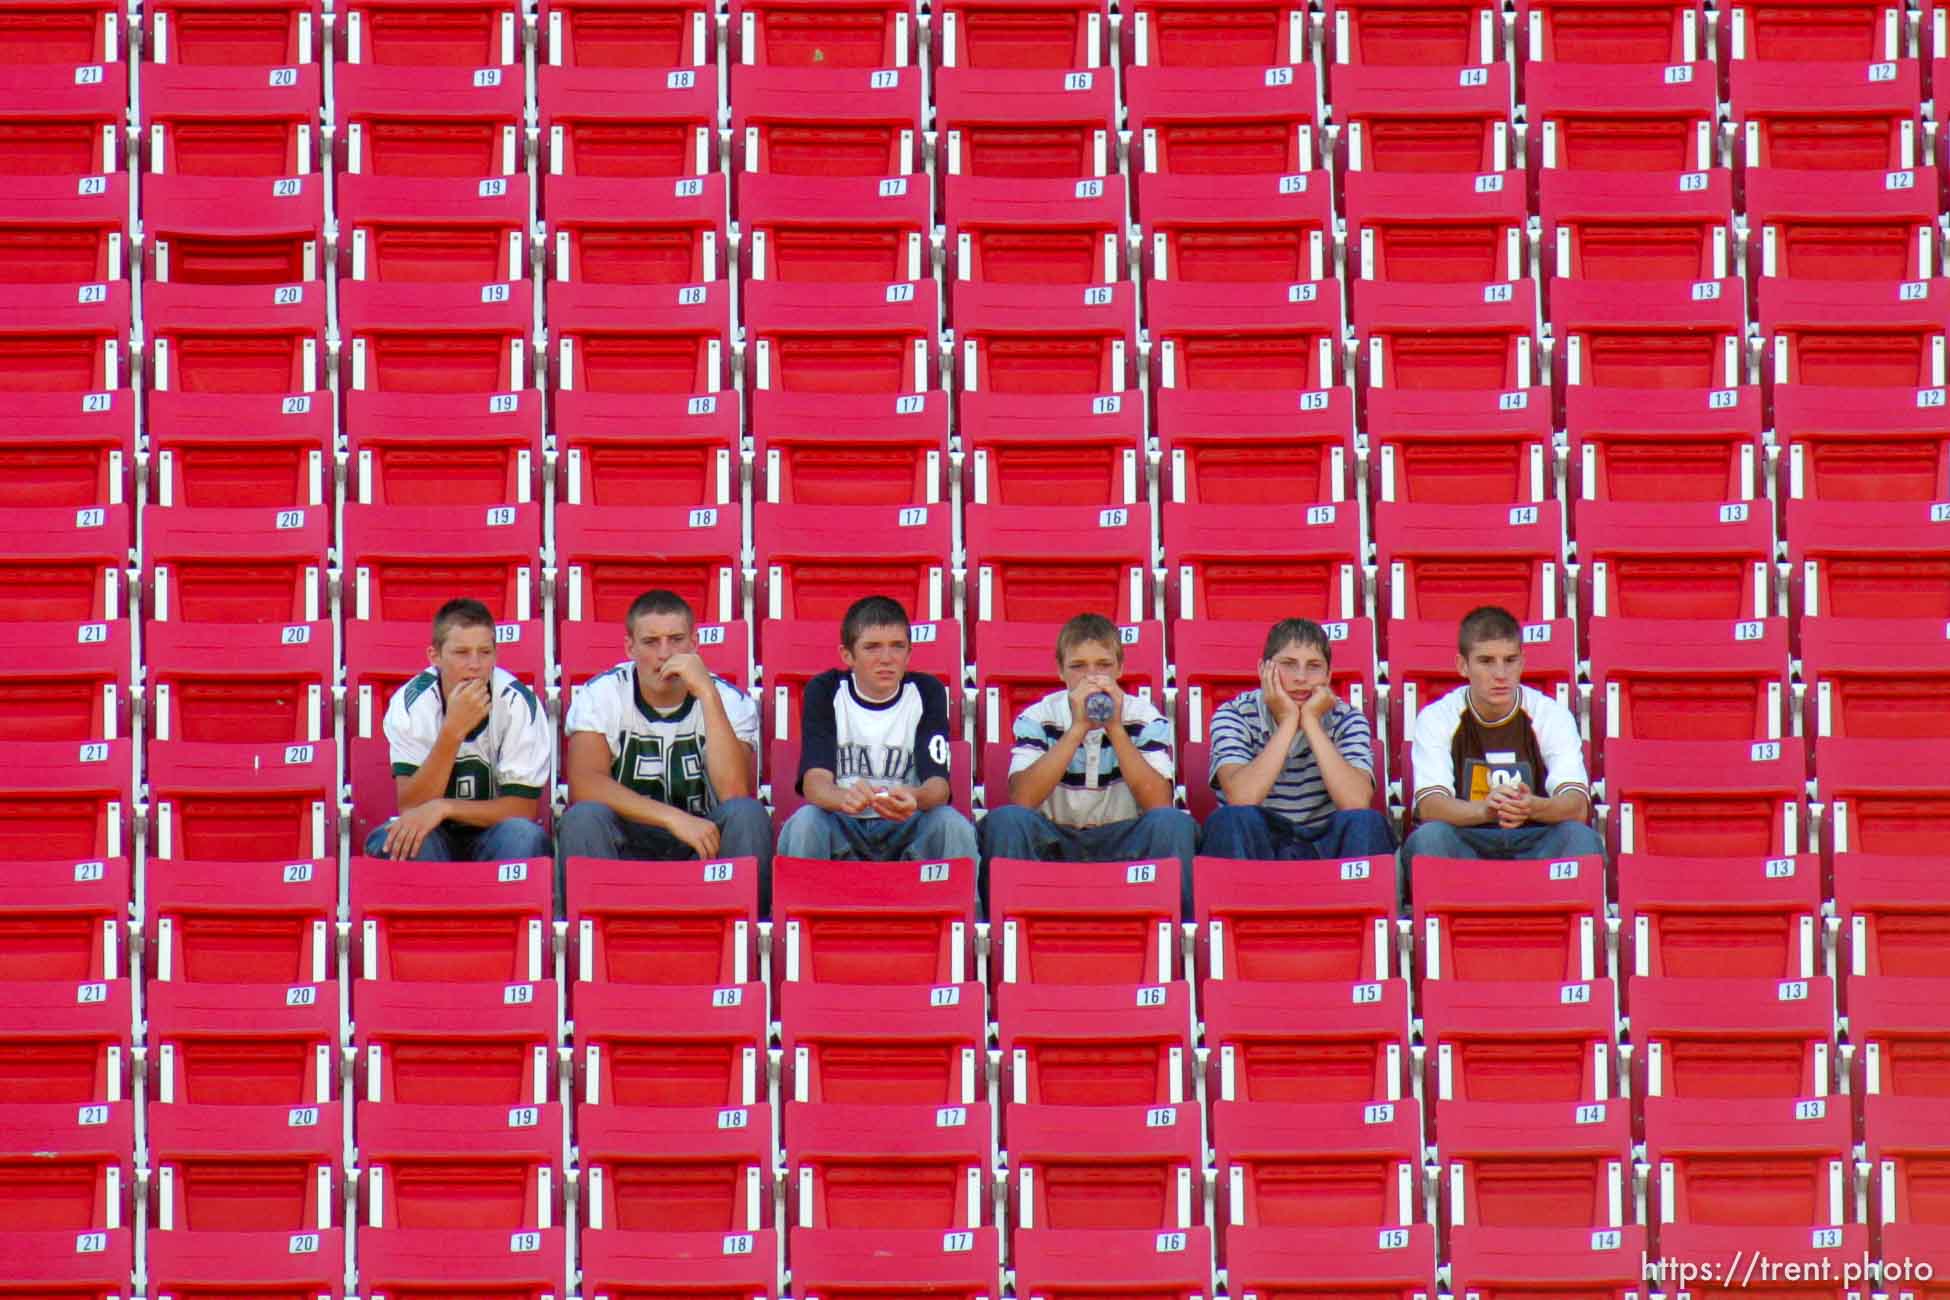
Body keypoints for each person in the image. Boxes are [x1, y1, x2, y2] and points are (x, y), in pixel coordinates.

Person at [557, 589, 773, 903]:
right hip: (625, 841)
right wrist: (673, 818)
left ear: (694, 644)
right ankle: (593, 937)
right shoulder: (601, 694)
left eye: (676, 640)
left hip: (702, 843)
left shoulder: (728, 700)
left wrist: (707, 695)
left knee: (748, 814)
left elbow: (734, 792)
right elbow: (584, 785)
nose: (664, 654)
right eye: (650, 642)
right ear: (630, 647)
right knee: (582, 818)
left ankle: (745, 940)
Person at [979, 613, 1198, 911]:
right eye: (1078, 667)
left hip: (1123, 840)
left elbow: (1159, 803)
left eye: (1103, 665)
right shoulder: (1038, 716)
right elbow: (1022, 798)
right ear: (1060, 671)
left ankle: (1173, 941)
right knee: (1006, 821)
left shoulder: (1145, 716)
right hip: (1055, 840)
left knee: (1173, 824)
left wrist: (1116, 728)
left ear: (1120, 668)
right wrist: (1077, 729)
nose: (1092, 677)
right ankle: (1007, 932)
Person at [1400, 605, 1605, 888]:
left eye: (1510, 660)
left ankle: (1560, 923)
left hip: (1536, 839)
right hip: (1468, 839)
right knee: (1428, 839)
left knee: (1581, 839)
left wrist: (1532, 806)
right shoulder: (1438, 717)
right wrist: (1487, 810)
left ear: (1522, 662)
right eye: (1486, 661)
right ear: (1462, 666)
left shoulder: (1550, 714)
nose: (1501, 674)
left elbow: (1577, 805)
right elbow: (1430, 806)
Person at [774, 594, 979, 863]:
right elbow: (815, 784)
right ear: (847, 655)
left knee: (952, 824)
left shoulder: (927, 691)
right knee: (805, 822)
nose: (886, 658)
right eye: (872, 647)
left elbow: (938, 786)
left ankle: (963, 906)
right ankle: (797, 905)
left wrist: (914, 797)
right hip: (843, 823)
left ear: (909, 654)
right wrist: (844, 798)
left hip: (906, 824)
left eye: (897, 646)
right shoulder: (825, 690)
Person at [367, 597, 553, 862]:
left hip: (494, 834)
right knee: (404, 840)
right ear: (435, 656)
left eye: (485, 652)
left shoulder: (518, 703)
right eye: (461, 653)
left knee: (524, 836)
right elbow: (411, 806)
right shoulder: (412, 703)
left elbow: (522, 809)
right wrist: (453, 731)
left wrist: (445, 807)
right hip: (432, 834)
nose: (475, 664)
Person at [1201, 617, 1398, 862]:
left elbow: (1355, 801)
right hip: (1259, 842)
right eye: (1288, 664)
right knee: (1231, 820)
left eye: (1314, 666)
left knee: (1368, 822)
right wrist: (1288, 721)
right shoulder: (1234, 714)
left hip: (1324, 843)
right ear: (1263, 669)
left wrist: (1312, 723)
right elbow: (1242, 798)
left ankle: (1359, 901)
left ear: (1328, 675)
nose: (1301, 677)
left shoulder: (1348, 719)